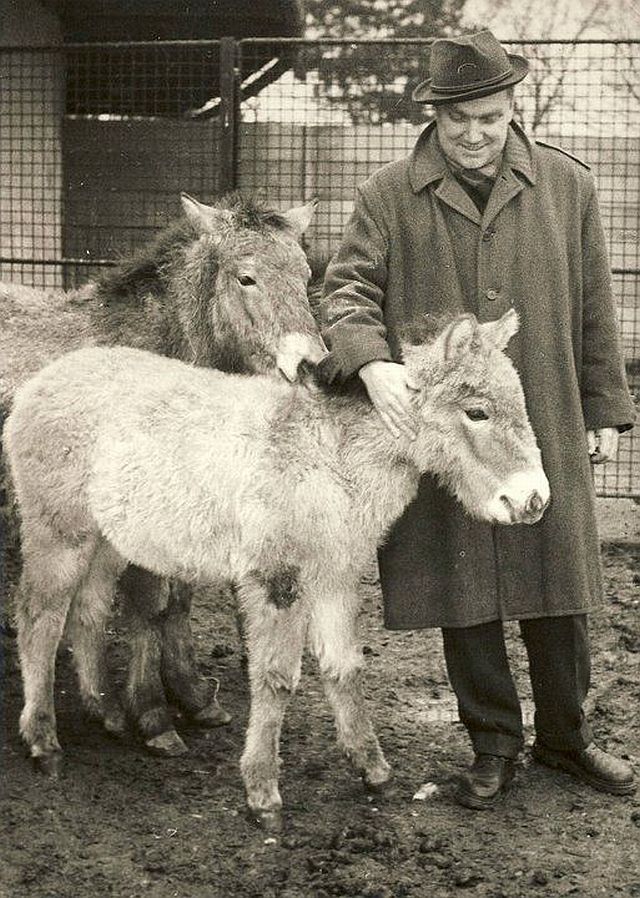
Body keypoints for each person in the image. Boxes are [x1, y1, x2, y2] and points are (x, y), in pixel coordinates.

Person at [317, 29, 636, 809]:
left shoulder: (567, 184)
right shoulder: (387, 195)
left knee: (558, 586)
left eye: (488, 116)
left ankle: (567, 739)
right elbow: (345, 293)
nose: (473, 133)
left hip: (543, 415)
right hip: (450, 433)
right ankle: (493, 745)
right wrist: (371, 361)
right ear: (433, 115)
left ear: (509, 108)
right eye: (457, 118)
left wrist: (604, 408)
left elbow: (595, 307)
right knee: (466, 593)